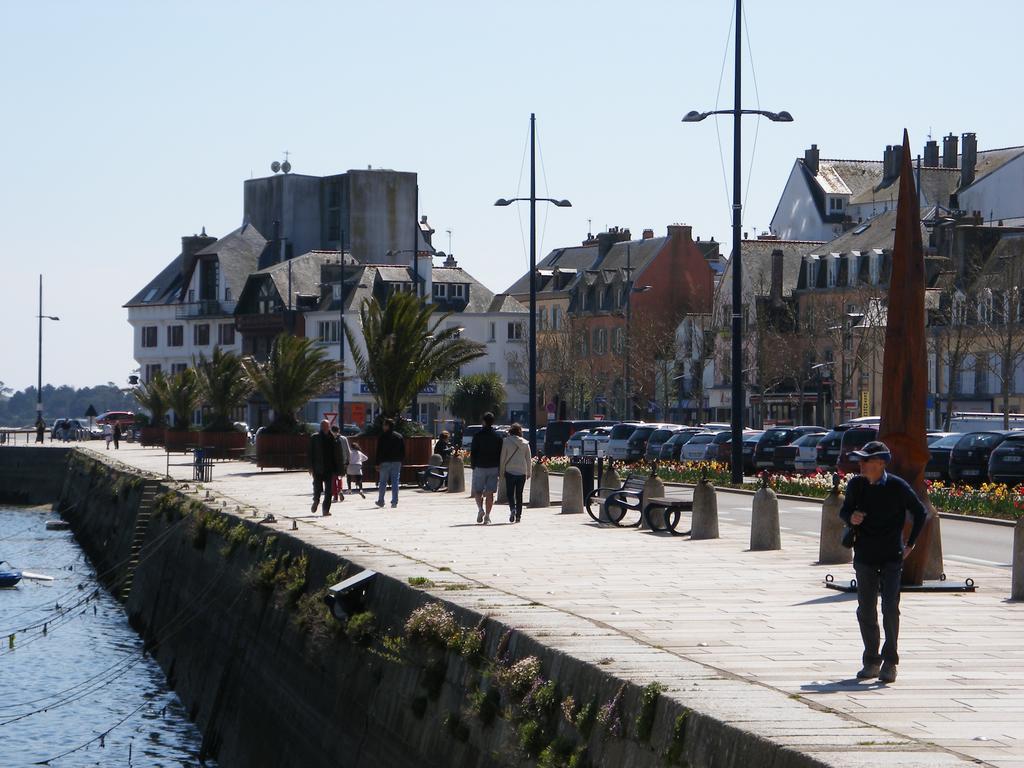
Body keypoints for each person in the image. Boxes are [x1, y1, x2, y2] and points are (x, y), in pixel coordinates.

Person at [839, 440, 927, 684]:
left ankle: (890, 663)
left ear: (879, 463)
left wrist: (910, 545)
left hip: (891, 556)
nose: (860, 464)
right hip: (865, 555)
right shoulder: (856, 485)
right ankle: (871, 661)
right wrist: (851, 517)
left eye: (865, 461)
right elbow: (844, 512)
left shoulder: (897, 487)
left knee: (890, 608)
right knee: (866, 610)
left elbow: (920, 513)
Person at [470, 412, 503, 524]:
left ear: (483, 421)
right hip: (493, 466)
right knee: (490, 493)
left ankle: (480, 509)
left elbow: (473, 452)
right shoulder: (497, 436)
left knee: (477, 490)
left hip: (480, 466)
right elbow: (500, 453)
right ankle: (488, 516)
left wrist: (473, 465)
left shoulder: (478, 435)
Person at [499, 423, 532, 523]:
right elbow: (528, 459)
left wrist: (501, 471)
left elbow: (503, 458)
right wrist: (529, 472)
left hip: (510, 471)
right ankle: (518, 516)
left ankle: (512, 509)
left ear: (510, 431)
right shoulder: (525, 443)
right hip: (522, 472)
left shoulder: (506, 441)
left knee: (510, 493)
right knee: (519, 494)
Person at [309, 419, 343, 516]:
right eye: (323, 426)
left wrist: (340, 469)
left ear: (329, 427)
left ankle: (324, 509)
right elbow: (310, 453)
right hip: (318, 467)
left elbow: (338, 455)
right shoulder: (315, 438)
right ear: (321, 427)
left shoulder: (334, 439)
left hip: (329, 468)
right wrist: (310, 467)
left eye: (326, 426)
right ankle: (317, 501)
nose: (325, 428)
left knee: (327, 490)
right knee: (319, 487)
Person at [375, 418, 405, 508]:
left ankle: (381, 501)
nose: (383, 426)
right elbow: (403, 450)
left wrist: (377, 463)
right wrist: (400, 460)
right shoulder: (399, 436)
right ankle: (394, 501)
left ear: (387, 426)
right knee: (395, 482)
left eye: (384, 425)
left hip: (385, 462)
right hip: (396, 462)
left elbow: (379, 451)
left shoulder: (382, 437)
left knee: (383, 482)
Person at [329, 425, 351, 503]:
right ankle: (340, 490)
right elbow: (348, 450)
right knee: (340, 477)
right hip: (342, 461)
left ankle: (335, 496)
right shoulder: (344, 438)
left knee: (333, 479)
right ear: (339, 431)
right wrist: (348, 460)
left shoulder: (330, 438)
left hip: (332, 462)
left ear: (331, 431)